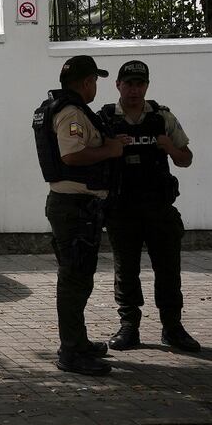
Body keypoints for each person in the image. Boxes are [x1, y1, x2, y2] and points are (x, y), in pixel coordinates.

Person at [33, 55, 124, 376]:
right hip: (75, 208)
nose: (95, 86)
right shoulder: (71, 112)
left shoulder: (64, 108)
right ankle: (71, 351)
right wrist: (110, 151)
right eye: (95, 81)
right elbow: (71, 155)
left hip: (77, 206)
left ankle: (78, 341)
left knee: (79, 278)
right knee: (74, 280)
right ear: (86, 82)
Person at [100, 60, 199, 352]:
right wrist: (110, 148)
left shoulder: (162, 117)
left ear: (146, 86)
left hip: (159, 208)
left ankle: (172, 328)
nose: (134, 89)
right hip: (122, 209)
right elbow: (89, 158)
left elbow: (186, 158)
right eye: (128, 83)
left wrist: (169, 147)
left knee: (168, 270)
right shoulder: (105, 118)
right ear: (118, 85)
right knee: (126, 270)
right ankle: (129, 327)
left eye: (139, 84)